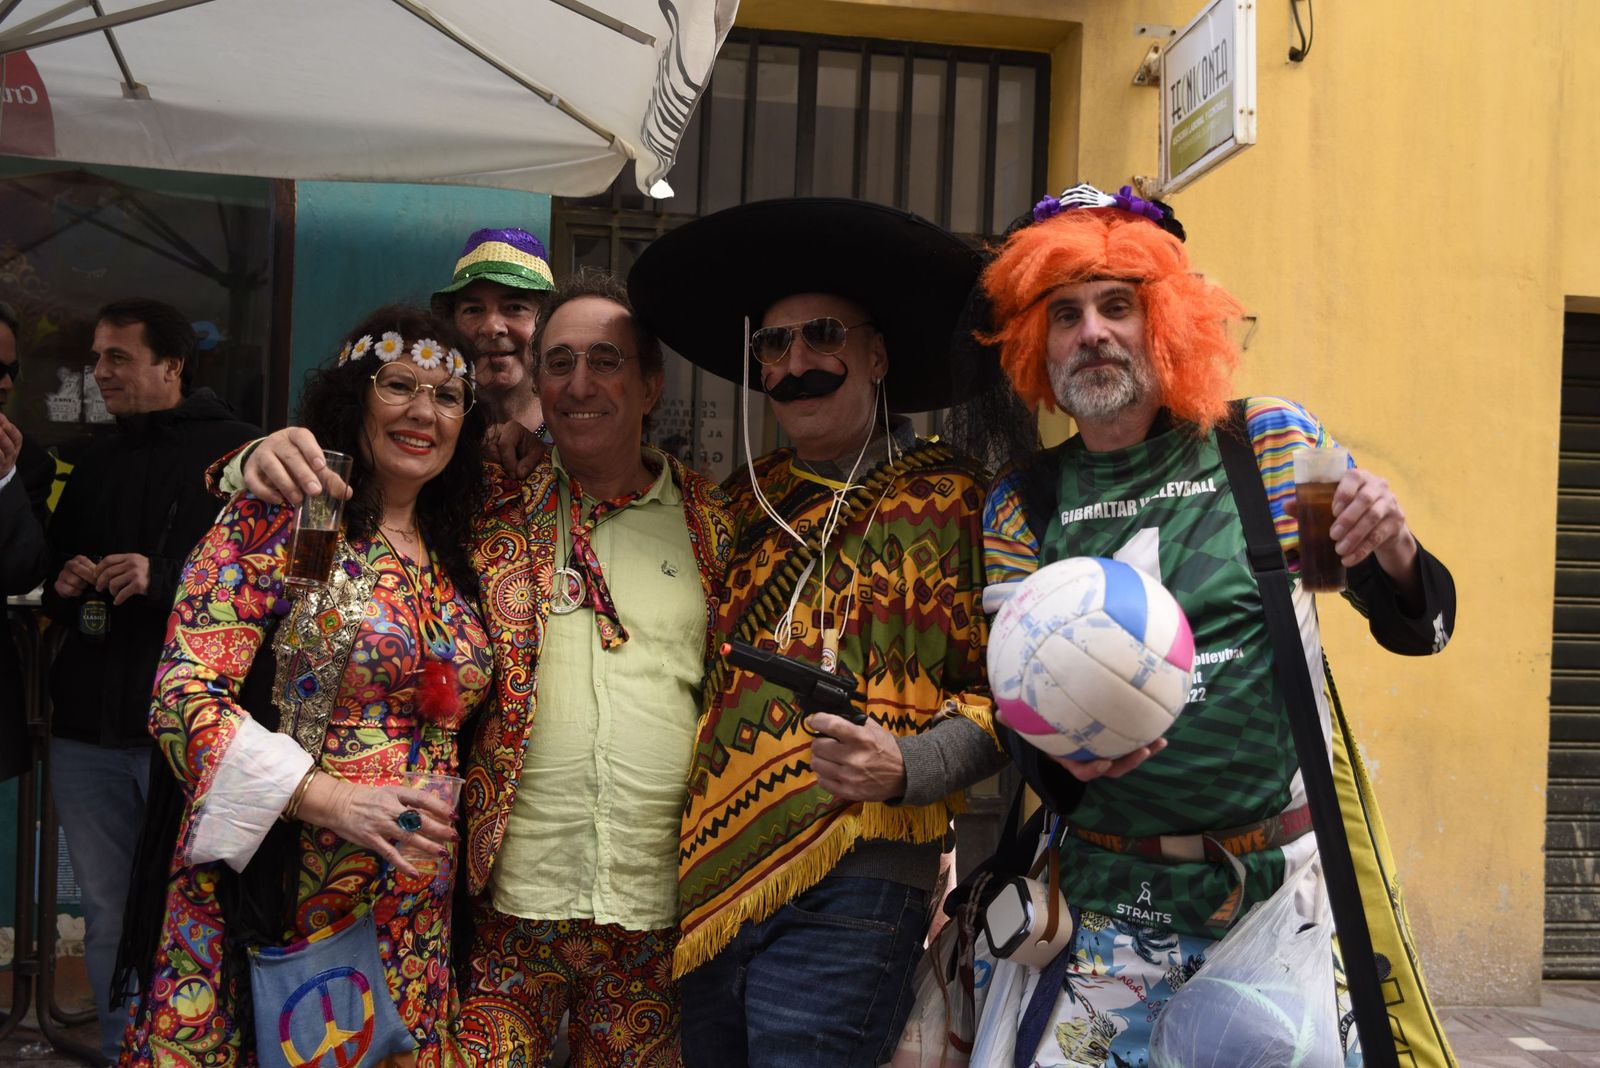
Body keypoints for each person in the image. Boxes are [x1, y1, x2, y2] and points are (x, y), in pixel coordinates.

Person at [966, 184, 1457, 1064]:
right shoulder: (1022, 502)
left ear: (1164, 321)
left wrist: (1394, 548)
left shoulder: (1270, 442)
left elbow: (1415, 628)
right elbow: (1016, 716)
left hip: (1275, 906)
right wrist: (1065, 762)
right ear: (1037, 343)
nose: (1092, 332)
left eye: (1117, 306)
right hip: (1106, 908)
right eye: (1066, 314)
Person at [231, 270, 735, 1067]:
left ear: (651, 385)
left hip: (658, 911)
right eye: (559, 363)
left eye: (605, 361)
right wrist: (251, 456)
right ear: (537, 387)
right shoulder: (485, 499)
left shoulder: (716, 523)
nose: (579, 384)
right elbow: (359, 490)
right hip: (498, 911)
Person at [626, 198, 1007, 1068]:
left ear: (877, 356)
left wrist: (910, 765)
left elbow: (1010, 693)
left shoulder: (958, 501)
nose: (795, 364)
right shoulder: (735, 503)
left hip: (861, 879)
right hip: (712, 883)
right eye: (773, 345)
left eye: (823, 337)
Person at [117, 305, 493, 1066]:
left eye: (448, 396)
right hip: (274, 906)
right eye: (399, 385)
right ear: (355, 398)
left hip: (410, 924)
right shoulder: (300, 518)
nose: (424, 412)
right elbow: (183, 696)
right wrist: (334, 800)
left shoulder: (460, 545)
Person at [40, 298, 259, 1060]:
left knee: (197, 912)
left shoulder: (238, 453)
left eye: (117, 357)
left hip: (187, 738)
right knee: (105, 912)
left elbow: (264, 587)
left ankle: (194, 1054)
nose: (99, 372)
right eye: (96, 357)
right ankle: (121, 1052)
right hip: (86, 731)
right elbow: (50, 574)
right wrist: (66, 581)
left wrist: (161, 576)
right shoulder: (92, 459)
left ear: (172, 365)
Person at [431, 227, 555, 435]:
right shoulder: (432, 425)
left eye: (515, 308)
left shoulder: (573, 425)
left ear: (548, 322)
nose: (492, 328)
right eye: (473, 310)